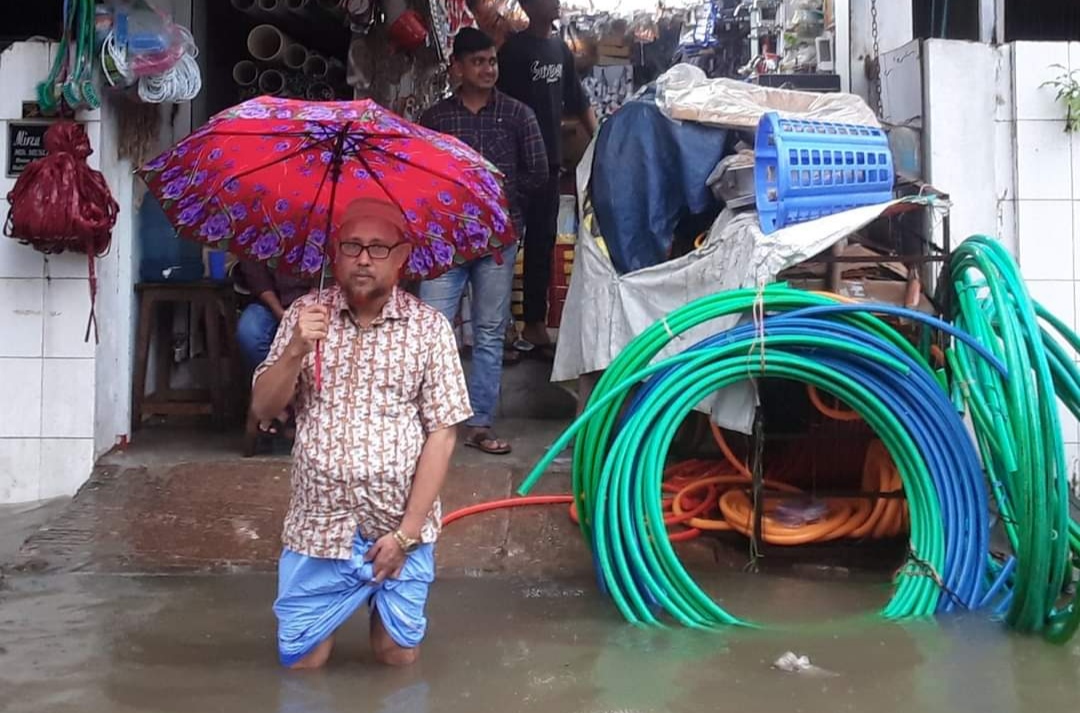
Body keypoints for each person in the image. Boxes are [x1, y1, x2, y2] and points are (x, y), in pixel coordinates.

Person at [251, 197, 472, 669]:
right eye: (352, 246)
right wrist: (294, 350)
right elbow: (263, 408)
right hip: (318, 526)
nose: (365, 258)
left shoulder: (429, 328)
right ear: (335, 254)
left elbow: (442, 435)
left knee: (395, 655)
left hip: (397, 524)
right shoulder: (304, 316)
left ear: (402, 256)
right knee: (304, 662)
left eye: (378, 247)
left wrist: (407, 535)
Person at [419, 27, 549, 455]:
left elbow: (538, 173)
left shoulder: (518, 114)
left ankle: (480, 423)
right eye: (478, 62)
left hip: (497, 239)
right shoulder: (437, 119)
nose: (488, 69)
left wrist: (498, 200)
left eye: (491, 61)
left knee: (490, 332)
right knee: (432, 328)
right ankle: (430, 422)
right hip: (446, 240)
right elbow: (420, 176)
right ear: (457, 67)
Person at [497, 0, 596, 355]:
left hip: (550, 162)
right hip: (513, 163)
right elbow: (499, 103)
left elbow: (578, 99)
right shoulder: (513, 51)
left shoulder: (560, 50)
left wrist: (599, 142)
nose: (555, 3)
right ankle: (501, 327)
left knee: (542, 241)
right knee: (505, 245)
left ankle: (535, 325)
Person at [236, 261, 314, 437]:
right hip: (271, 304)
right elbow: (256, 276)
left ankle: (302, 403)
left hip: (315, 301)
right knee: (249, 332)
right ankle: (281, 405)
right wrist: (279, 311)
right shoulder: (265, 234)